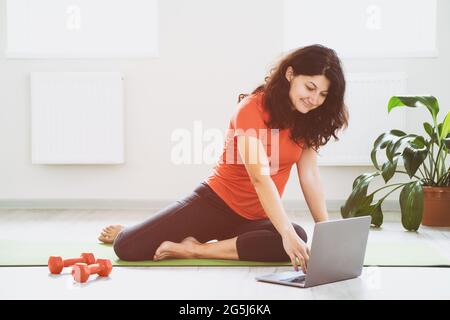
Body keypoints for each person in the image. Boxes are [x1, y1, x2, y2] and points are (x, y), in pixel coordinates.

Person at [98, 44, 348, 273]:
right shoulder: (252, 108)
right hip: (214, 203)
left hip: (255, 218)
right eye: (310, 88)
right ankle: (131, 231)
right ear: (290, 74)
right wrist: (284, 231)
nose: (314, 100)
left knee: (297, 237)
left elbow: (309, 175)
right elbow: (260, 177)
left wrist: (326, 231)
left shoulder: (309, 121)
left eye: (323, 95)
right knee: (127, 247)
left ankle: (193, 248)